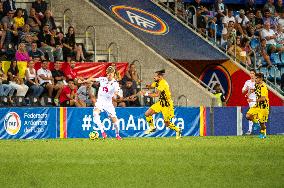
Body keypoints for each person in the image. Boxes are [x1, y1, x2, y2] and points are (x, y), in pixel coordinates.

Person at [137, 69, 181, 139]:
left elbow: (157, 94)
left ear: (160, 77)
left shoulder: (163, 83)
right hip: (161, 102)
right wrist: (144, 86)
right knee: (147, 114)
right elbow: (151, 86)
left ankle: (178, 130)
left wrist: (145, 93)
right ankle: (152, 127)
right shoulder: (157, 82)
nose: (154, 77)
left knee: (166, 123)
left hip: (167, 104)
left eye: (156, 76)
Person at [92, 66, 122, 140]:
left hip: (108, 104)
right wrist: (83, 81)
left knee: (115, 121)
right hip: (100, 102)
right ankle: (103, 132)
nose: (109, 76)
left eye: (111, 74)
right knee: (95, 113)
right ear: (106, 73)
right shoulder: (103, 79)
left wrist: (116, 94)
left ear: (113, 74)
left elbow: (117, 92)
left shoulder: (115, 83)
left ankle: (117, 135)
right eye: (108, 74)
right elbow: (92, 79)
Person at [246, 73, 269, 139]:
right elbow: (256, 89)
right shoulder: (256, 84)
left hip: (263, 107)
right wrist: (251, 91)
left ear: (261, 79)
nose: (255, 79)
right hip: (257, 106)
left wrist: (252, 100)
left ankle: (263, 133)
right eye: (255, 78)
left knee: (262, 123)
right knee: (248, 115)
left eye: (256, 78)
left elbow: (263, 98)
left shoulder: (263, 87)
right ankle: (256, 123)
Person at [242, 70, 256, 135]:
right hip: (250, 101)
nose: (251, 74)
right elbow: (243, 91)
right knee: (252, 115)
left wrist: (251, 91)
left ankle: (250, 130)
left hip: (257, 100)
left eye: (253, 73)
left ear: (255, 74)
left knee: (250, 114)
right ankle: (254, 127)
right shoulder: (247, 82)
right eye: (250, 73)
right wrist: (246, 89)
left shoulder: (257, 82)